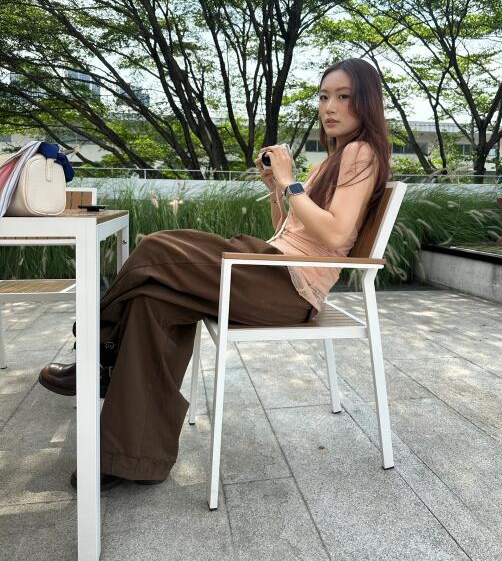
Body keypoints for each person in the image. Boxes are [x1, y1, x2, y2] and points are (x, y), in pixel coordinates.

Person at [38, 57, 390, 489]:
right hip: (270, 270)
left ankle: (98, 351)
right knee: (153, 302)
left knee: (154, 248)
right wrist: (275, 190)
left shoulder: (360, 152)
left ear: (366, 102)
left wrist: (289, 182)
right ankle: (129, 458)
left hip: (287, 288)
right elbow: (291, 231)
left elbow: (334, 235)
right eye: (323, 96)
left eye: (343, 96)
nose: (329, 106)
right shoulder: (333, 159)